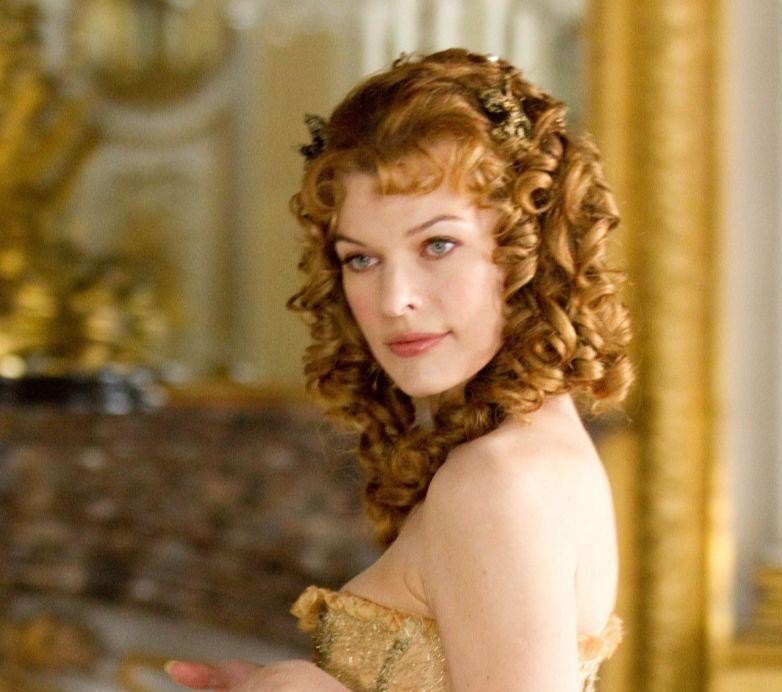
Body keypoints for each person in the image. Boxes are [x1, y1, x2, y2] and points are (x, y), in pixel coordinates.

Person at [166, 48, 631, 691]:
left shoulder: (494, 481)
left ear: (529, 251)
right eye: (361, 259)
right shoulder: (528, 451)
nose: (393, 300)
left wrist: (299, 688)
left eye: (438, 245)